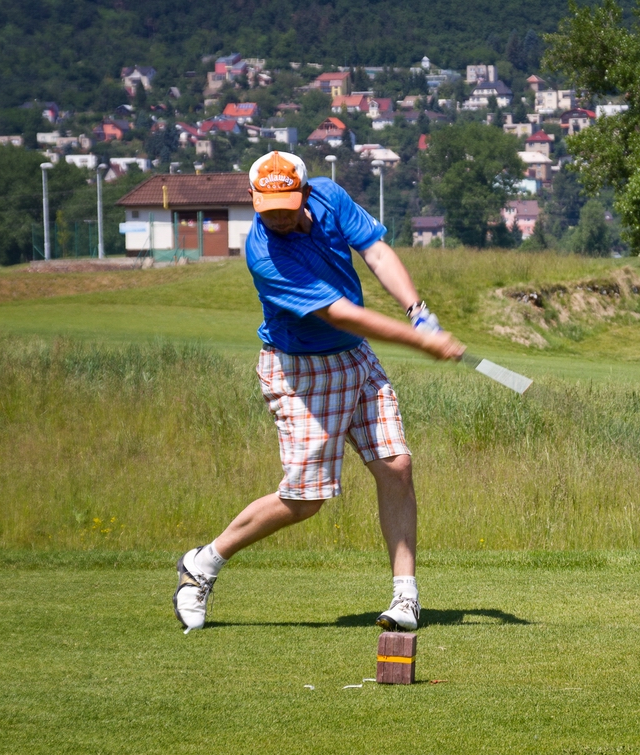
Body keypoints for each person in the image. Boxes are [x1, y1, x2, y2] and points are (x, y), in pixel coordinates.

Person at [173, 151, 464, 634]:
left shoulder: (329, 195)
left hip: (354, 358)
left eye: (287, 207)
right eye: (268, 209)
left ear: (306, 193)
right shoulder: (265, 254)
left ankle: (406, 597)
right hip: (300, 374)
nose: (278, 218)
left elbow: (375, 251)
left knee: (396, 465)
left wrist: (418, 311)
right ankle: (202, 563)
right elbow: (340, 314)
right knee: (306, 500)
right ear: (253, 199)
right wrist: (420, 342)